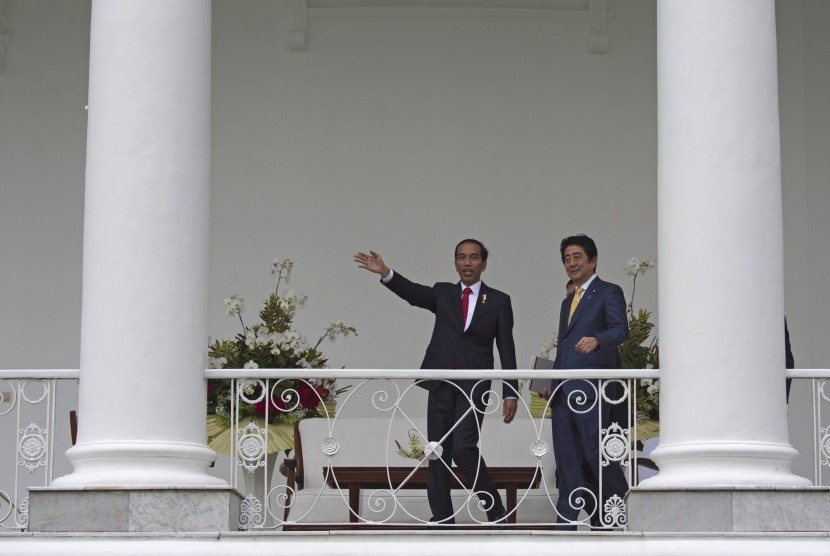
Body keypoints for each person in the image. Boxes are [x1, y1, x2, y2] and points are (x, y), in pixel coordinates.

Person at [354, 240, 518, 525]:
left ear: (484, 263)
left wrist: (510, 393)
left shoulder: (499, 300)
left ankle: (495, 511)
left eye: (473, 258)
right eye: (461, 258)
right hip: (440, 381)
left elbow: (507, 348)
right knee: (437, 450)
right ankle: (443, 518)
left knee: (464, 447)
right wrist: (385, 272)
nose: (467, 263)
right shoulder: (443, 292)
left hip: (474, 385)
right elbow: (414, 294)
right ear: (455, 262)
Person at [548, 234, 629, 529]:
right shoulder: (567, 301)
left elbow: (621, 330)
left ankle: (620, 512)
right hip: (564, 392)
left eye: (577, 257)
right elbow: (563, 348)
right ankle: (565, 523)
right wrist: (552, 383)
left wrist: (597, 339)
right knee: (567, 460)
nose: (572, 263)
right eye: (567, 258)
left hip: (592, 389)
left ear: (593, 260)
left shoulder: (608, 292)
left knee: (597, 453)